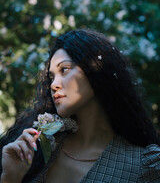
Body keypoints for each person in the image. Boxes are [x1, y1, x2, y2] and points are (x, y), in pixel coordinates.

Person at [0, 29, 160, 183]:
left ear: (96, 70)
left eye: (65, 69)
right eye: (51, 77)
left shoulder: (144, 166)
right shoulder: (37, 152)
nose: (54, 85)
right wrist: (10, 178)